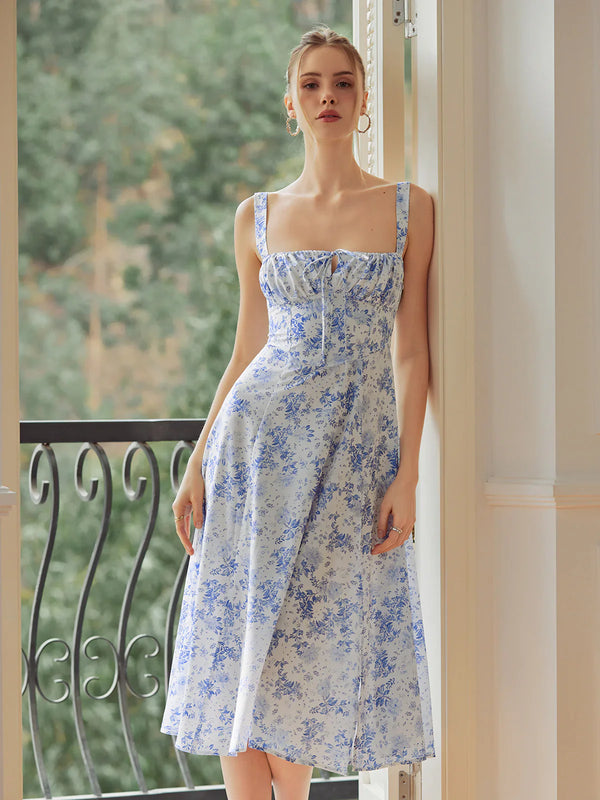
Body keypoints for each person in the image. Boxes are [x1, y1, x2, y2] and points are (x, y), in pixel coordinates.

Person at [161, 24, 436, 800]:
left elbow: (411, 354)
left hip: (352, 458)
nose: (327, 97)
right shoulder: (257, 216)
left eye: (342, 84)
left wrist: (408, 474)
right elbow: (246, 350)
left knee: (310, 647)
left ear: (363, 101)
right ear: (291, 104)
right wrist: (196, 461)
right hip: (252, 452)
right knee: (242, 636)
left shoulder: (411, 208)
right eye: (311, 84)